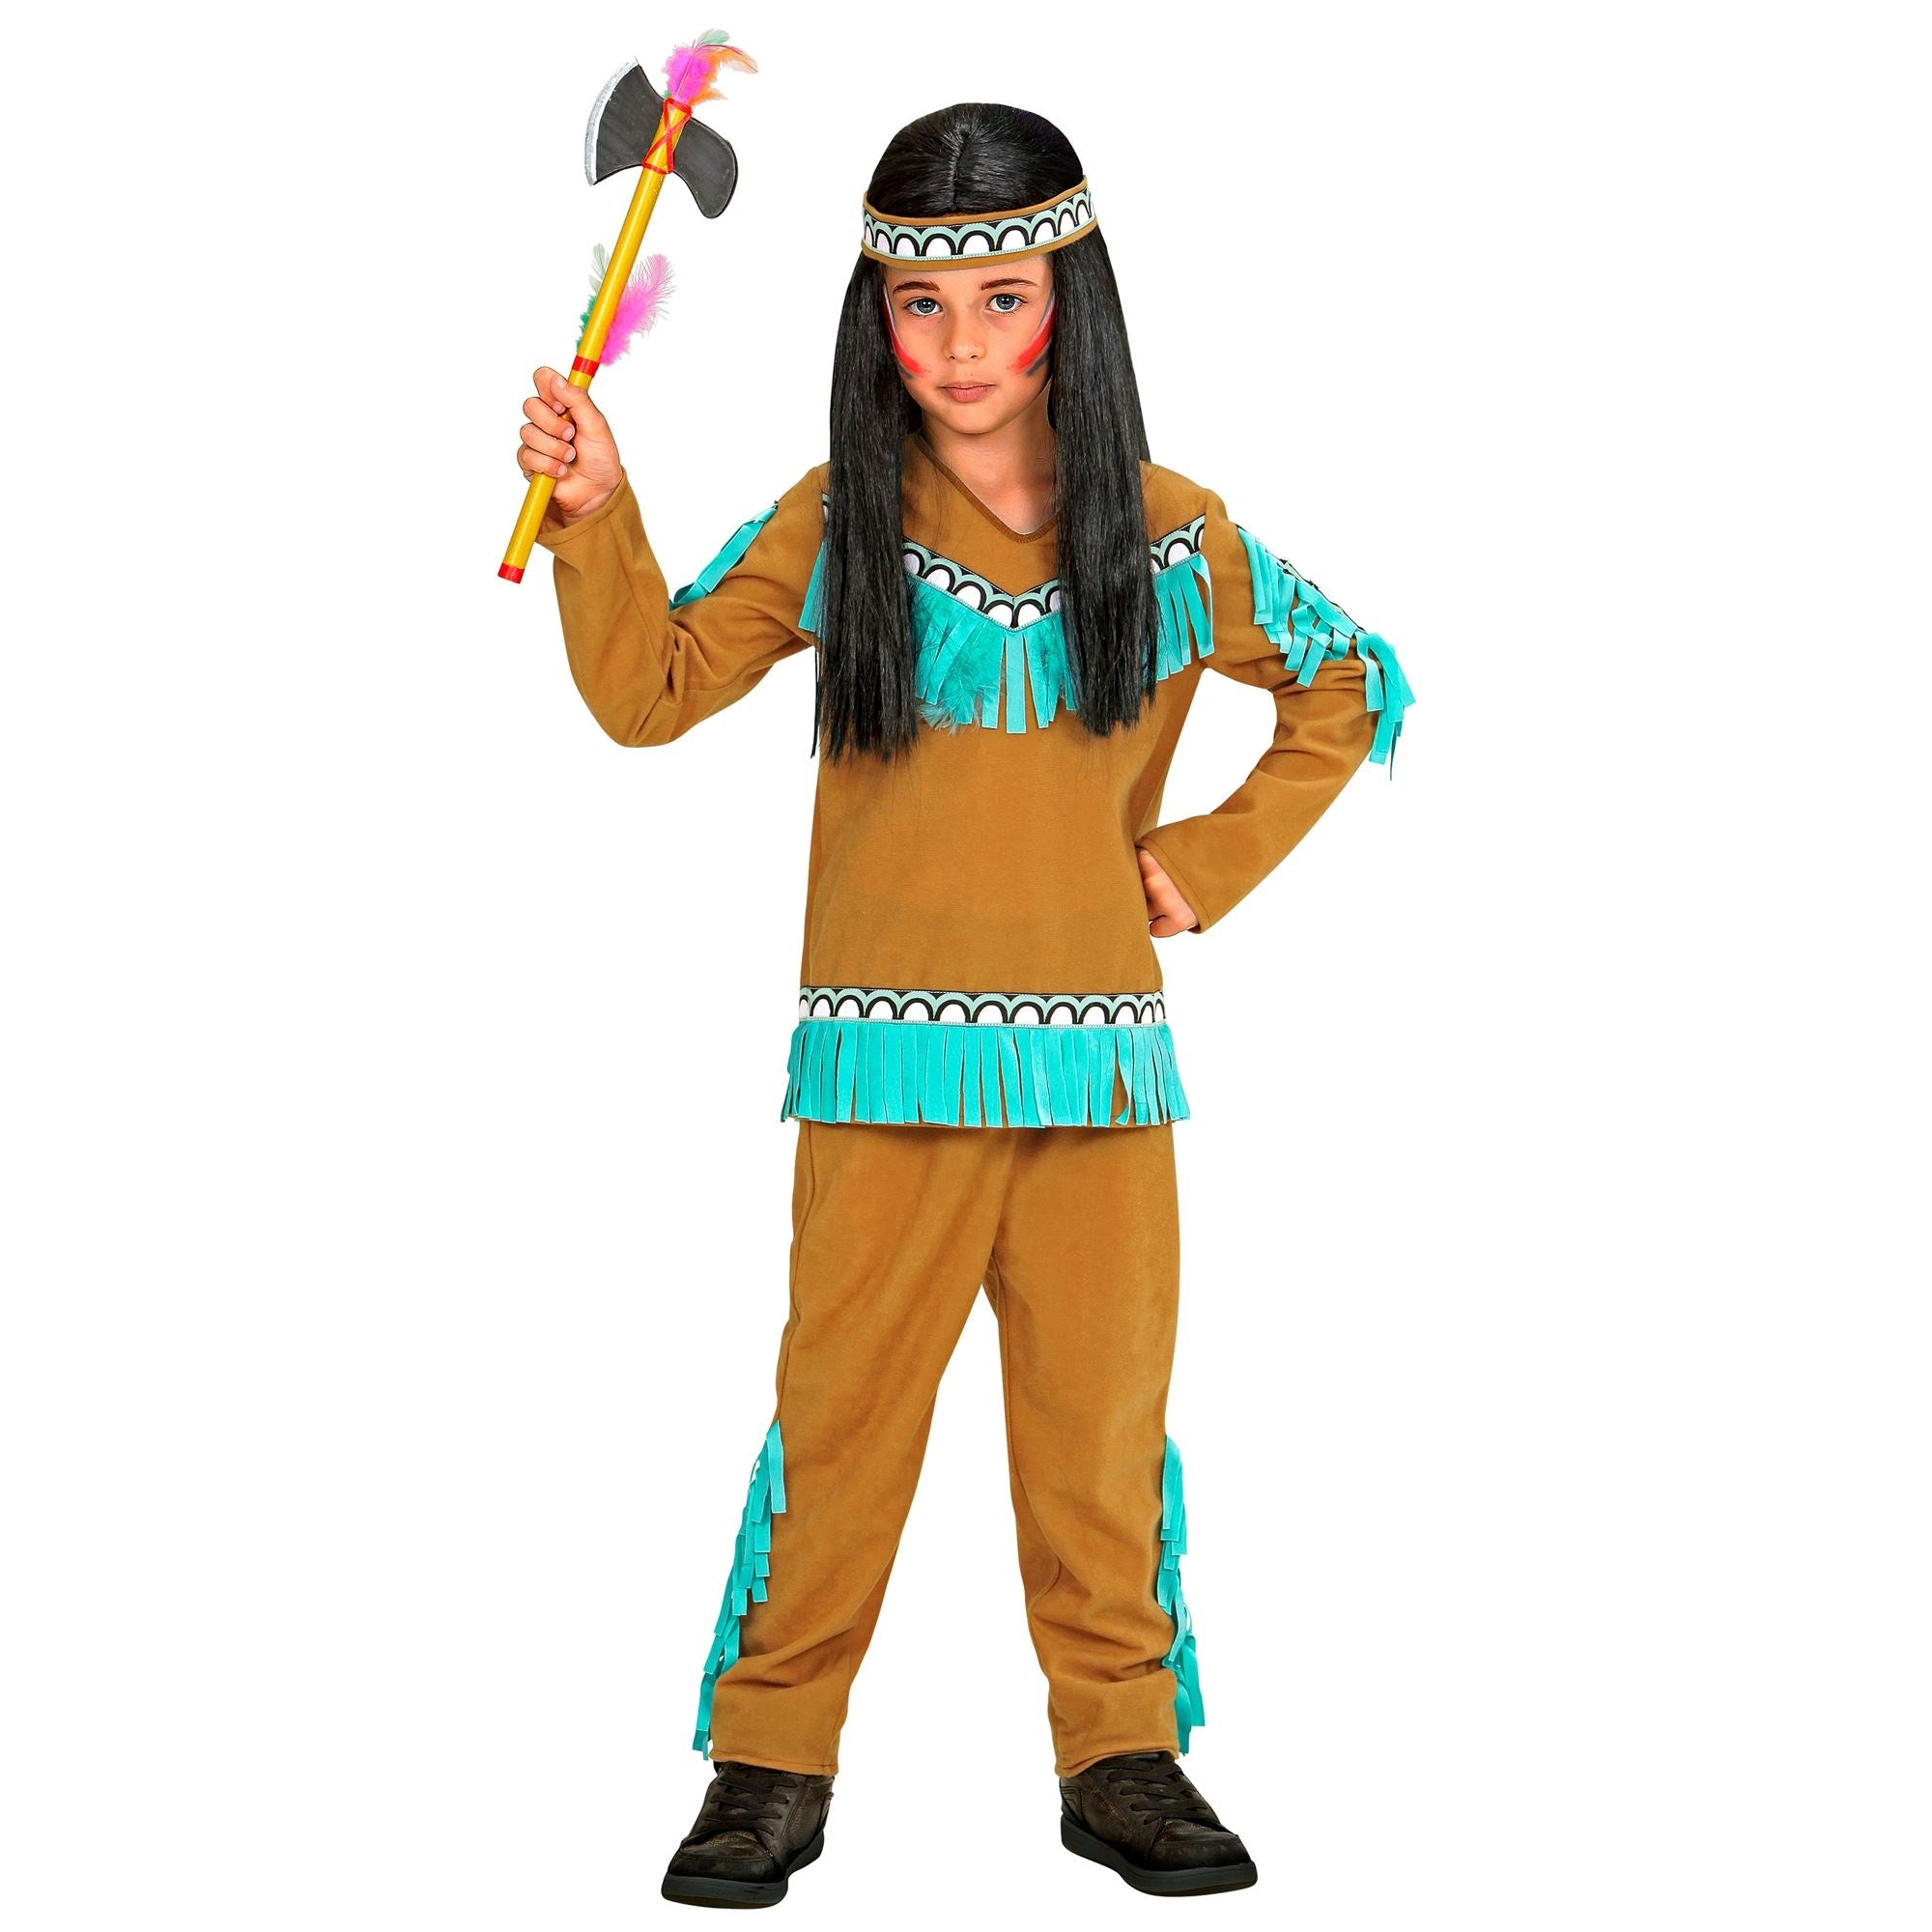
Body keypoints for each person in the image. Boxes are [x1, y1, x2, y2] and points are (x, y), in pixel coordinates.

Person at [513, 100, 1412, 1909]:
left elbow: (1356, 681)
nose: (963, 344)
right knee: (842, 1416)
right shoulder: (840, 519)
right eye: (920, 306)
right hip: (884, 1073)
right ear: (877, 316)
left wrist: (1209, 863)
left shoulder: (1170, 536)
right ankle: (772, 1761)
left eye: (1003, 299)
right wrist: (602, 515)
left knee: (1100, 1427)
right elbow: (651, 690)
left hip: (1100, 1082)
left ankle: (1122, 1753)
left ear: (1071, 303)